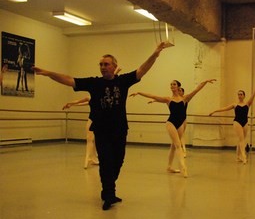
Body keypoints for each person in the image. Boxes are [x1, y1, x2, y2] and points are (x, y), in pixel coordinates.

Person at [33, 42, 170, 210]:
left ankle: (108, 189)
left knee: (118, 162)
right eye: (101, 64)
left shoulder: (123, 81)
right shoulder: (93, 83)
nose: (103, 67)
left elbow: (143, 69)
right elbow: (69, 80)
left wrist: (156, 53)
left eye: (106, 64)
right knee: (105, 162)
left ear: (114, 66)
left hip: (120, 130)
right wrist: (48, 73)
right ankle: (108, 194)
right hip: (101, 131)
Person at [130, 78, 216, 177]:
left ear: (178, 86)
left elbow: (196, 90)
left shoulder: (186, 98)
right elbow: (153, 96)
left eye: (174, 84)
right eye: (171, 84)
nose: (172, 86)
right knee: (178, 145)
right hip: (171, 123)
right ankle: (184, 167)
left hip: (180, 124)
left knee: (173, 146)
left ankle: (169, 167)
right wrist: (139, 92)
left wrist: (205, 81)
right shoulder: (168, 99)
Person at [209, 83, 255, 163]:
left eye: (241, 94)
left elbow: (253, 95)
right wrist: (214, 111)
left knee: (241, 140)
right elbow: (224, 109)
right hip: (237, 122)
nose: (239, 96)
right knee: (242, 140)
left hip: (245, 122)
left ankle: (238, 157)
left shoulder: (247, 104)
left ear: (244, 96)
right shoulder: (234, 105)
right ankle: (244, 157)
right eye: (238, 94)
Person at [62, 96, 100, 169]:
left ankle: (93, 158)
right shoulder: (92, 98)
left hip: (96, 121)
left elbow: (81, 103)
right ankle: (87, 159)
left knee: (93, 141)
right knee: (90, 140)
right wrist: (70, 104)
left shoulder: (95, 99)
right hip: (92, 121)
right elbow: (79, 102)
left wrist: (71, 104)